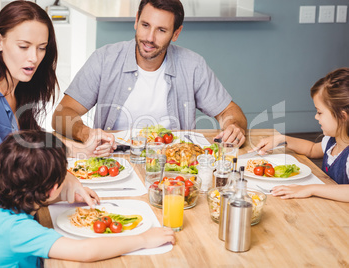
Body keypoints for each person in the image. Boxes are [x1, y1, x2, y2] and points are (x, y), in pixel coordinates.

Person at [0, 1, 101, 266]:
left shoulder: (16, 86)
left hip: (13, 217)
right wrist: (64, 180)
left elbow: (31, 142)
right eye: (24, 47)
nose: (34, 58)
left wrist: (75, 156)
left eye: (42, 48)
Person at [52, 0, 247, 148]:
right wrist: (85, 133)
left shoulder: (193, 65)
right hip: (115, 159)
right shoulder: (105, 59)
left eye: (161, 30)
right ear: (136, 21)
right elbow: (62, 114)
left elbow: (229, 111)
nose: (150, 38)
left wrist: (234, 126)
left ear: (176, 33)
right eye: (145, 25)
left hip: (174, 164)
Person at [0, 130, 176, 267]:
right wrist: (144, 239)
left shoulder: (1, 201)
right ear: (52, 189)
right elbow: (85, 251)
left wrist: (63, 195)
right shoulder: (18, 230)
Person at [252, 68, 349, 202]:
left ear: (342, 116)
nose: (316, 117)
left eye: (320, 112)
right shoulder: (332, 142)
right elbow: (311, 149)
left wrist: (310, 189)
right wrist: (282, 139)